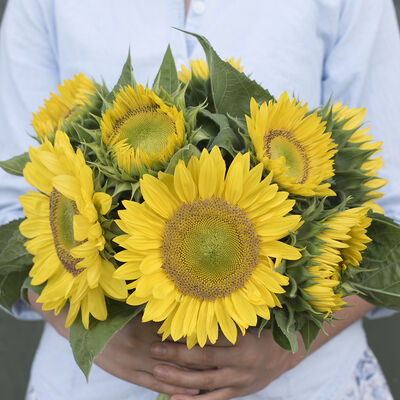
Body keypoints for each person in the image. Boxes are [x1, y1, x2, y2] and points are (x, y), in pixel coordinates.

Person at [1, 0, 399, 399]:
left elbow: (391, 214)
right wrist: (89, 332)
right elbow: (11, 211)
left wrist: (289, 349)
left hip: (308, 384)